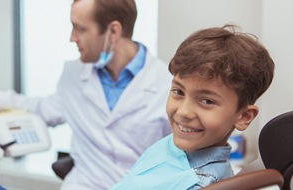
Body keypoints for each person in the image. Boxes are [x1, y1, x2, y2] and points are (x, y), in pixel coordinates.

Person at [0, 0, 172, 189]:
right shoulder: (74, 75)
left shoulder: (167, 86)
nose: (72, 38)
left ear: (113, 31)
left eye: (80, 28)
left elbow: (180, 161)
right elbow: (40, 108)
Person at [110, 24, 275, 189]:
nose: (183, 112)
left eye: (207, 101)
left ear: (244, 116)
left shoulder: (199, 183)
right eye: (178, 91)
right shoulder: (172, 146)